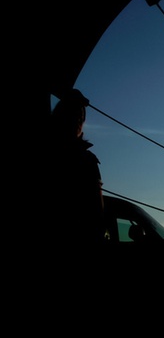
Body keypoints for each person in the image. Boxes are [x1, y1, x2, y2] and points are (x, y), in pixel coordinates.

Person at [47, 88, 105, 247]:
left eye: (80, 117)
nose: (78, 121)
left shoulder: (87, 160)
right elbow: (96, 215)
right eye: (74, 116)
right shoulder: (87, 161)